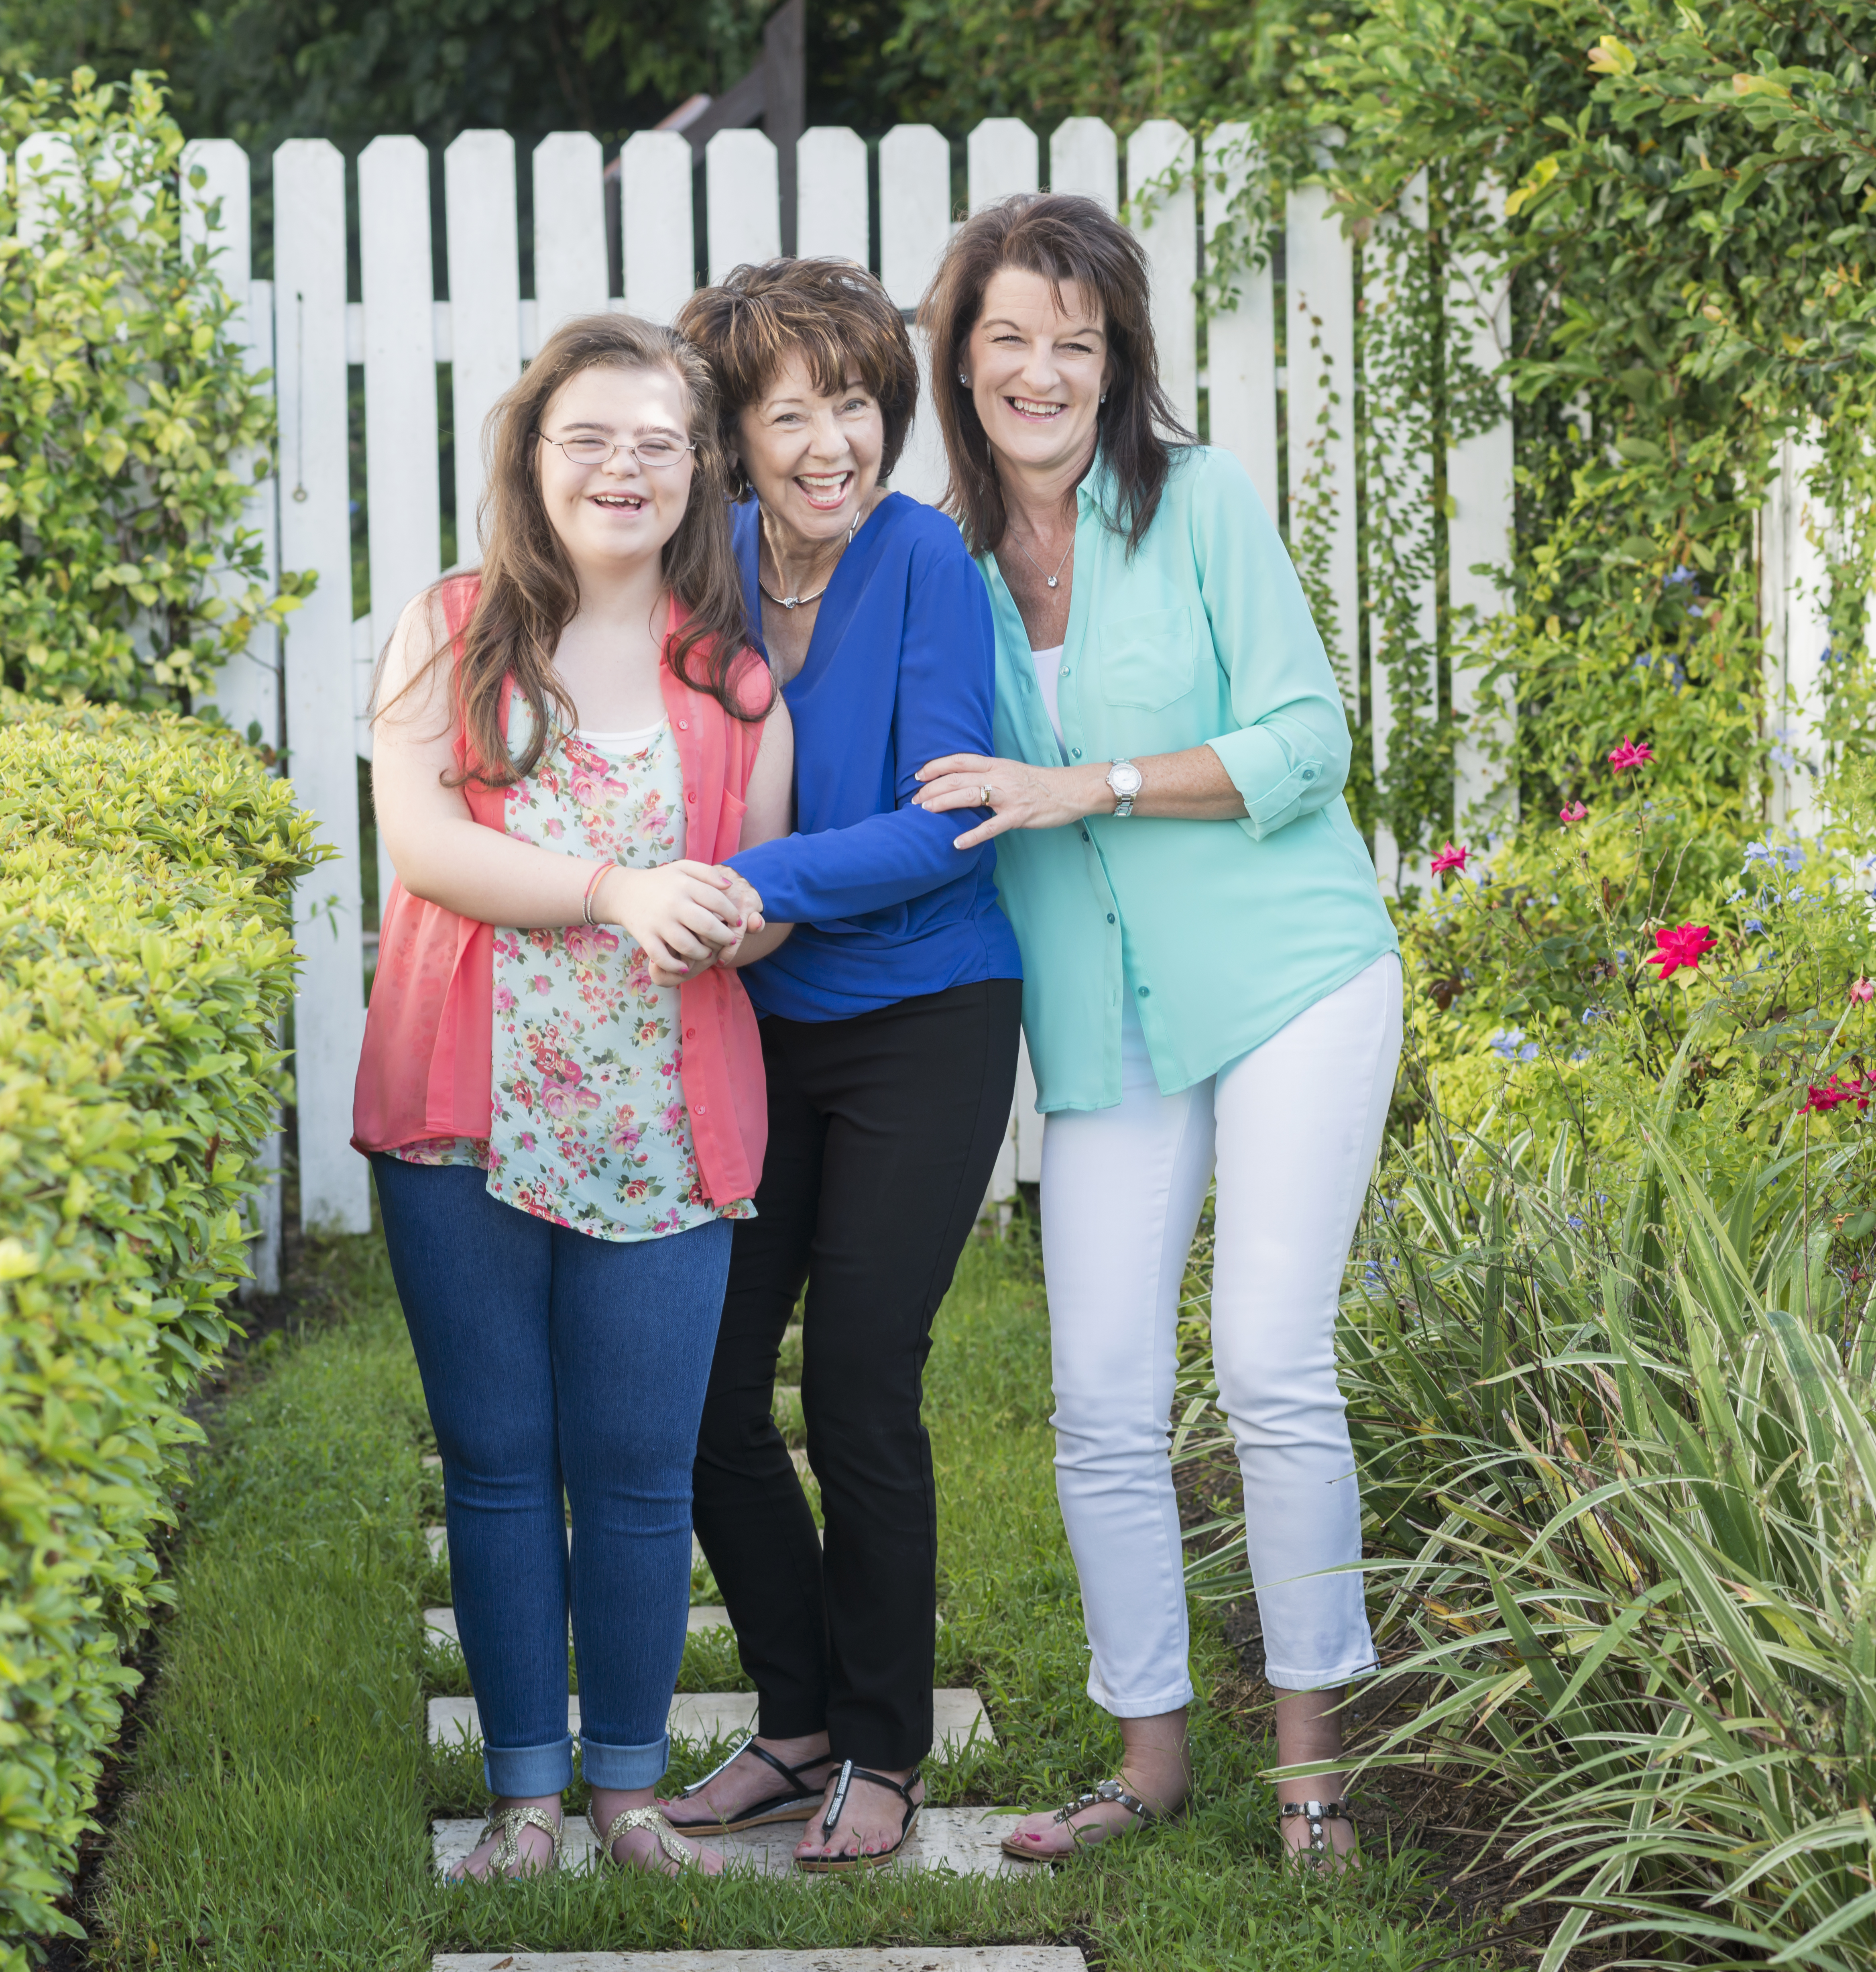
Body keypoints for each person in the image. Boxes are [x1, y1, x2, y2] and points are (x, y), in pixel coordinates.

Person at [909, 193, 1404, 1869]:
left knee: (1268, 1363)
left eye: (1076, 339)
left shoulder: (1195, 503)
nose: (1040, 370)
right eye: (1008, 339)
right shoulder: (941, 561)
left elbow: (1305, 742)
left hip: (1290, 976)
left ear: (1115, 359)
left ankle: (1316, 1776)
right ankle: (1148, 1764)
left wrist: (1093, 783)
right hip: (1099, 1009)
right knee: (1101, 1395)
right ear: (959, 357)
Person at [353, 312, 789, 1880]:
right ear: (532, 458)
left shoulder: (731, 679)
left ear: (696, 472)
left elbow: (771, 888)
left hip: (662, 1127)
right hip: (466, 1117)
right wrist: (613, 887)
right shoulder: (451, 628)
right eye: (588, 438)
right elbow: (427, 847)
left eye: (657, 443)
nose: (622, 467)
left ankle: (627, 1791)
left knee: (636, 1474)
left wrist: (750, 914)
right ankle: (523, 1794)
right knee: (492, 1459)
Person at [652, 258, 1023, 1872]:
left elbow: (948, 815)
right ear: (737, 433)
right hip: (756, 1023)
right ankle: (792, 1722)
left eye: (856, 403)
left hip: (924, 1016)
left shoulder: (924, 557)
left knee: (863, 1382)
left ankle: (886, 1747)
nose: (830, 443)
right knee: (711, 1394)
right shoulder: (711, 558)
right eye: (789, 410)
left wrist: (760, 893)